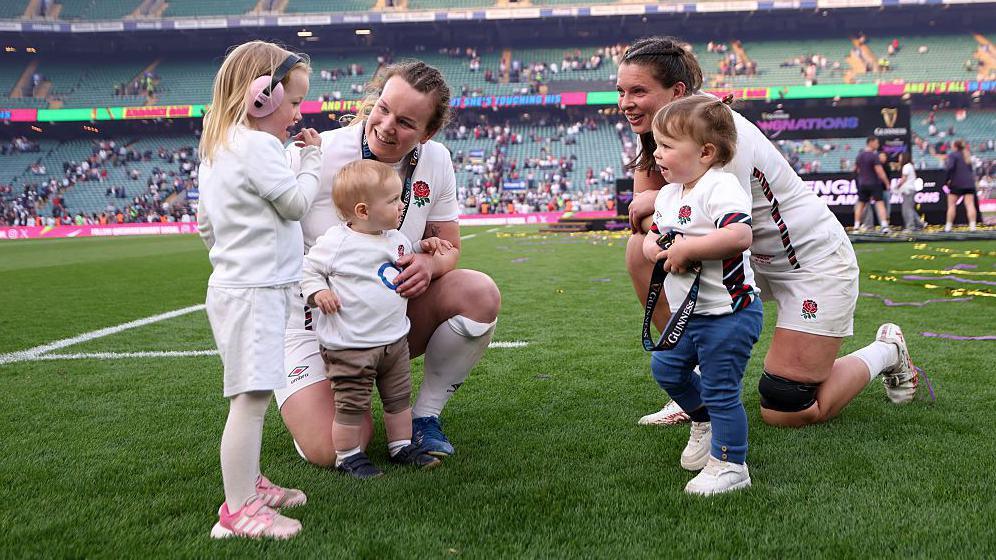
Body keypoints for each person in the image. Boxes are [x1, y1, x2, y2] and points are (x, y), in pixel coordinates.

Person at [618, 36, 921, 430]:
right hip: (735, 258)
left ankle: (886, 350)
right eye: (621, 91)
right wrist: (653, 216)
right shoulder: (659, 132)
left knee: (786, 407)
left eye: (638, 91)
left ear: (676, 92)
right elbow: (646, 222)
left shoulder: (720, 133)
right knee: (638, 252)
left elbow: (705, 224)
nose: (625, 103)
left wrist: (653, 209)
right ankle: (692, 393)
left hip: (806, 262)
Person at [276, 60, 502, 466]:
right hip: (315, 328)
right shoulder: (318, 153)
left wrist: (431, 267)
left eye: (405, 122)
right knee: (334, 450)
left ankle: (424, 416)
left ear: (428, 132)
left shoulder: (436, 160)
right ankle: (321, 393)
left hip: (389, 322)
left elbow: (448, 245)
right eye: (383, 108)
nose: (385, 126)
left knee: (479, 293)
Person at [196, 41, 322, 540]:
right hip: (258, 291)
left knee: (257, 392)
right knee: (249, 401)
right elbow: (294, 203)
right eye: (292, 102)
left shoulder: (219, 147)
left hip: (234, 287)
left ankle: (248, 483)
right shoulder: (257, 145)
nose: (297, 113)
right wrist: (310, 160)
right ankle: (239, 508)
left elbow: (206, 225)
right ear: (260, 97)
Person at [644, 95, 763, 495]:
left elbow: (739, 235)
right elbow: (652, 238)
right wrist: (658, 250)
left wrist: (689, 249)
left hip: (729, 314)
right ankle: (703, 419)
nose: (657, 153)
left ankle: (731, 465)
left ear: (706, 152)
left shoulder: (720, 186)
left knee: (720, 389)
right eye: (657, 144)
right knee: (666, 369)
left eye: (667, 146)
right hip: (689, 316)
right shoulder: (668, 194)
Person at [302, 159, 447, 478]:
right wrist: (317, 292)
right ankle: (347, 455)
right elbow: (306, 270)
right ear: (363, 211)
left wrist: (426, 245)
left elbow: (407, 249)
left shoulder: (392, 237)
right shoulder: (336, 243)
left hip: (394, 342)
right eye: (393, 200)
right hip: (350, 346)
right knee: (350, 405)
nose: (401, 206)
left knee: (398, 400)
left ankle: (401, 445)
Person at [853, 137, 892, 233]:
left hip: (862, 183)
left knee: (861, 204)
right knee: (880, 203)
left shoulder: (859, 156)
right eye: (876, 142)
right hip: (874, 183)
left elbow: (856, 170)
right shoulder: (873, 156)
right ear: (870, 143)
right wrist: (886, 183)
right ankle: (884, 226)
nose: (878, 144)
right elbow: (880, 171)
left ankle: (856, 226)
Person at [944, 140, 978, 232]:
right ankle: (973, 227)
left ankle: (948, 227)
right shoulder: (967, 155)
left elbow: (950, 167)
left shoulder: (953, 155)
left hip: (957, 183)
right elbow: (971, 170)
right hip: (969, 183)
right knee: (970, 204)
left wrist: (946, 180)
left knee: (951, 205)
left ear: (955, 146)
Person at [897, 152, 925, 232]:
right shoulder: (910, 166)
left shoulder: (906, 166)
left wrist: (897, 186)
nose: (899, 159)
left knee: (907, 209)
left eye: (900, 157)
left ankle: (910, 227)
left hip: (908, 190)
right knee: (910, 208)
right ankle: (919, 224)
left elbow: (904, 179)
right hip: (911, 189)